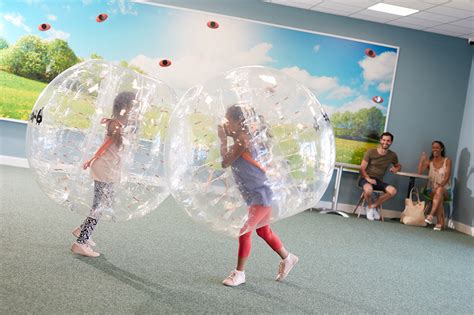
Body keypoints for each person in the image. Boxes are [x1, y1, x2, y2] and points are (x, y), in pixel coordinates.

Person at [218, 104, 298, 287]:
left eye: (228, 119)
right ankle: (288, 258)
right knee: (263, 231)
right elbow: (237, 140)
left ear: (239, 121)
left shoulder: (243, 140)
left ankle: (239, 273)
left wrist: (222, 138)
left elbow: (225, 162)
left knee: (244, 231)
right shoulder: (243, 136)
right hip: (258, 192)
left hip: (260, 193)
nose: (226, 122)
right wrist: (228, 133)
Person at [71, 91, 135, 257]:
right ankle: (80, 243)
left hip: (110, 168)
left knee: (105, 202)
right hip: (104, 168)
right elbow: (114, 143)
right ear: (125, 106)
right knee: (99, 206)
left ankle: (81, 230)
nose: (136, 108)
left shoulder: (125, 123)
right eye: (134, 105)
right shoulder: (114, 123)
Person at [359, 132, 401, 221]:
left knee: (393, 191)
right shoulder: (371, 152)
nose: (385, 142)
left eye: (388, 141)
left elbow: (398, 165)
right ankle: (370, 207)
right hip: (365, 178)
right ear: (380, 140)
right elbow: (362, 168)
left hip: (378, 180)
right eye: (384, 140)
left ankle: (372, 207)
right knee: (369, 189)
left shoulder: (392, 155)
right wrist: (368, 179)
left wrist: (396, 169)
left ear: (391, 142)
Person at [418, 140, 452, 231]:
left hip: (445, 190)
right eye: (433, 147)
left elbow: (447, 178)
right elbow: (420, 173)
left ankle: (431, 215)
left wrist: (439, 186)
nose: (434, 149)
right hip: (431, 190)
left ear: (441, 149)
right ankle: (439, 223)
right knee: (439, 196)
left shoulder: (447, 161)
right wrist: (422, 161)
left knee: (440, 190)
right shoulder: (430, 162)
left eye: (437, 147)